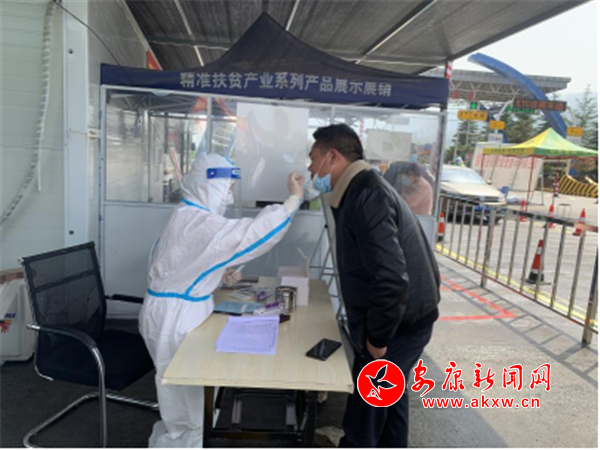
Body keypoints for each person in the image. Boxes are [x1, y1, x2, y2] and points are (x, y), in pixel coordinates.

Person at [139, 153, 304, 447]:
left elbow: (185, 260)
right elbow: (252, 234)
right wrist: (292, 201)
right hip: (175, 316)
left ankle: (190, 434)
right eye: (226, 188)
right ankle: (188, 439)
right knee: (186, 387)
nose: (228, 197)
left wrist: (216, 273)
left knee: (181, 385)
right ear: (207, 184)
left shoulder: (188, 214)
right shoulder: (197, 222)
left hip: (173, 309)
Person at [307, 124, 440, 448]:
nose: (310, 168)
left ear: (332, 156)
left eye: (313, 158)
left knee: (364, 414)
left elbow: (391, 278)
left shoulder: (367, 195)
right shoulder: (360, 188)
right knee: (390, 400)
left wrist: (378, 339)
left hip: (398, 325)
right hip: (405, 318)